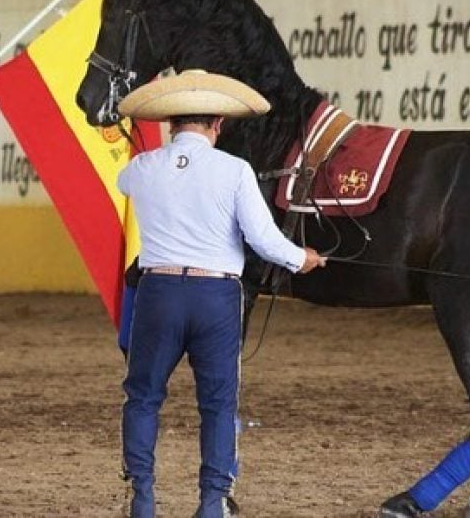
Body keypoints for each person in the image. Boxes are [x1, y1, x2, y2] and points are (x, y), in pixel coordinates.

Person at [115, 70, 326, 518]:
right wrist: (301, 259)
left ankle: (143, 498)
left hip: (159, 291)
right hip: (216, 297)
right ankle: (212, 503)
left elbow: (124, 183)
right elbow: (263, 240)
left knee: (144, 395)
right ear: (219, 124)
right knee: (217, 402)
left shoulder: (141, 169)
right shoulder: (235, 171)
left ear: (172, 123)